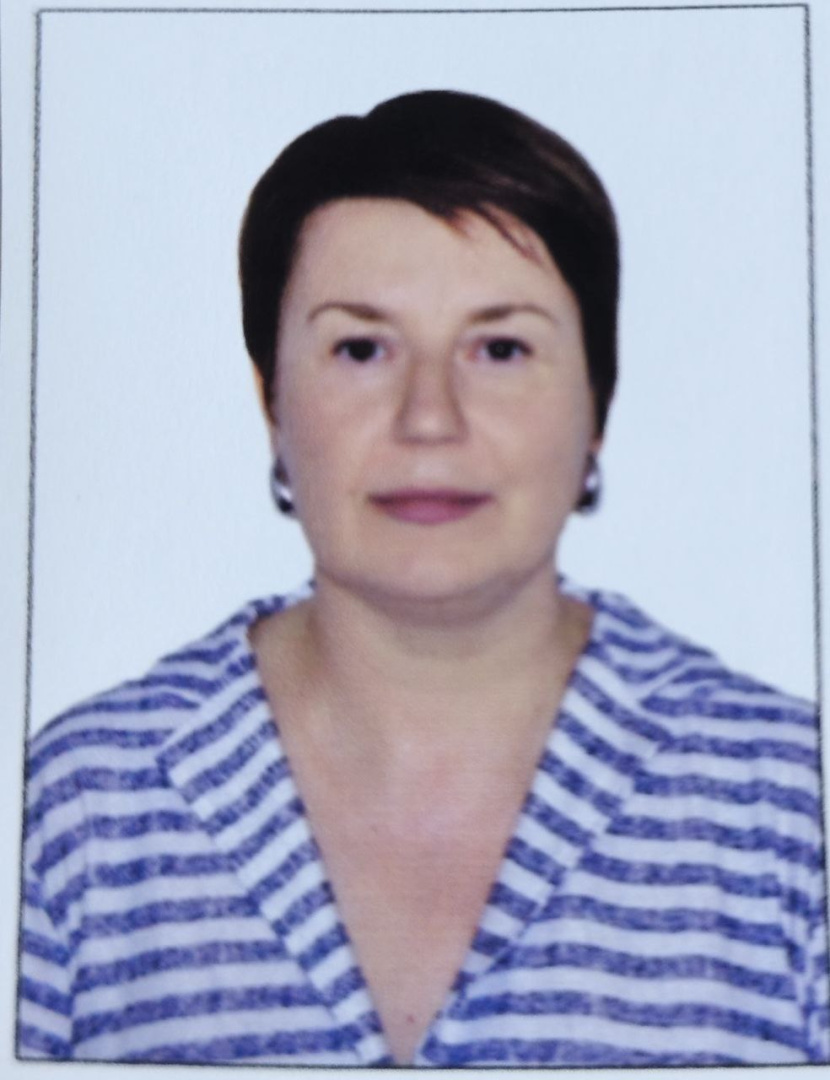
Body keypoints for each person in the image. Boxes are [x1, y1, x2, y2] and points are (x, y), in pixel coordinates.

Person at [18, 90, 828, 1067]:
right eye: (361, 348)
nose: (429, 419)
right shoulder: (80, 811)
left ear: (596, 401)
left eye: (500, 348)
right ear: (272, 401)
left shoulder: (790, 807)